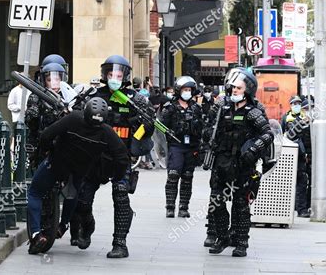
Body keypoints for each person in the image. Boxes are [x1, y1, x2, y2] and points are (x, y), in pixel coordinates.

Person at [72, 55, 154, 258]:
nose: (115, 77)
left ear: (125, 76)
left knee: (121, 197)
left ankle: (120, 243)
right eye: (111, 74)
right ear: (105, 75)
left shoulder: (136, 99)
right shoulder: (93, 94)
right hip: (95, 155)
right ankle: (87, 226)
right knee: (82, 199)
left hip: (121, 156)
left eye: (119, 74)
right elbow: (75, 114)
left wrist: (139, 126)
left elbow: (149, 125)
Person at [27, 98, 130, 254]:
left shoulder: (74, 118)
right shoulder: (106, 132)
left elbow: (47, 135)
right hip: (79, 171)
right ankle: (63, 225)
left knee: (35, 192)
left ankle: (35, 233)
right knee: (72, 194)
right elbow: (122, 157)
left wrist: (46, 150)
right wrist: (118, 176)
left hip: (56, 164)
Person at [205, 69, 273, 257]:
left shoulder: (253, 112)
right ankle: (222, 236)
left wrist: (252, 150)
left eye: (239, 87)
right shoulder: (222, 108)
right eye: (233, 87)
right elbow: (209, 129)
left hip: (243, 164)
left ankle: (241, 242)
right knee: (216, 202)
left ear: (248, 89)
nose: (234, 90)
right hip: (222, 162)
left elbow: (268, 134)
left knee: (240, 204)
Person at [160, 76, 203, 218]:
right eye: (185, 89)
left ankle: (184, 207)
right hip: (176, 145)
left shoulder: (196, 108)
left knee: (187, 176)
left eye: (189, 90)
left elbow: (203, 127)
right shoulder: (170, 107)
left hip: (191, 146)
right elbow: (161, 127)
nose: (187, 92)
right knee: (173, 175)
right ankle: (170, 207)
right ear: (179, 91)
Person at [286, 99, 312, 218]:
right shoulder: (297, 121)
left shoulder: (317, 123)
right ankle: (301, 209)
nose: (308, 112)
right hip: (299, 156)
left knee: (309, 183)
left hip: (311, 157)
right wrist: (302, 123)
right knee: (300, 183)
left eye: (310, 109)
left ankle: (306, 207)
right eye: (306, 109)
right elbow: (290, 135)